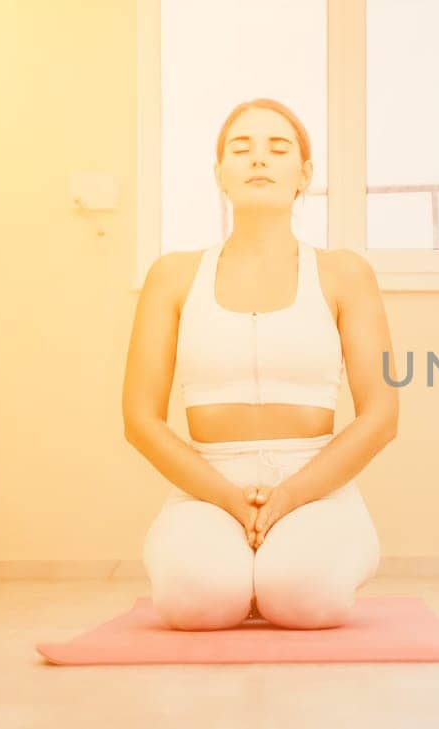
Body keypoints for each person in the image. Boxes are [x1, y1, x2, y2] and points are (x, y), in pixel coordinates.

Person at [122, 98, 399, 630]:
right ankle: (239, 572)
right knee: (196, 602)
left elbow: (381, 415)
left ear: (304, 175)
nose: (259, 160)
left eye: (278, 148)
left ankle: (273, 572)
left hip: (316, 483)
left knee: (302, 598)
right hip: (207, 483)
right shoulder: (172, 276)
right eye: (241, 149)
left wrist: (290, 496)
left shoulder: (345, 274)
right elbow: (140, 421)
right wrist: (228, 499)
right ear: (219, 174)